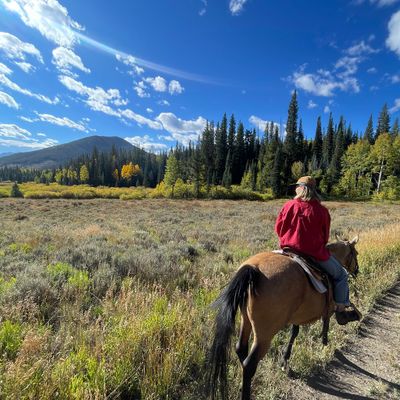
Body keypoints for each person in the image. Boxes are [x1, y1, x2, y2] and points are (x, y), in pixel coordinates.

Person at [274, 176, 361, 325]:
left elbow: (278, 228)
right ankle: (341, 310)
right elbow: (325, 237)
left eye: (297, 186)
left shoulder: (288, 206)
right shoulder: (322, 211)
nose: (295, 188)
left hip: (287, 250)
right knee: (341, 274)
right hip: (313, 254)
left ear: (301, 189)